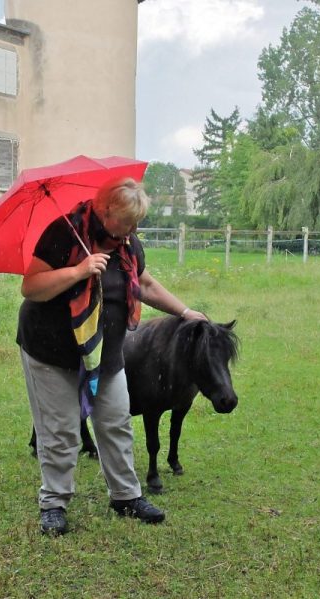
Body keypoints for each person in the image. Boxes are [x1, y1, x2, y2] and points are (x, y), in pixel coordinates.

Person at [17, 176, 207, 536]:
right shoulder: (63, 233)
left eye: (137, 222)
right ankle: (54, 502)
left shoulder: (127, 243)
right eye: (128, 220)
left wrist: (184, 312)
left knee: (117, 423)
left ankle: (125, 497)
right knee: (60, 431)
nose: (134, 229)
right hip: (51, 350)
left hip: (105, 351)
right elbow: (31, 287)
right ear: (104, 211)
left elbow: (145, 285)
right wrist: (77, 271)